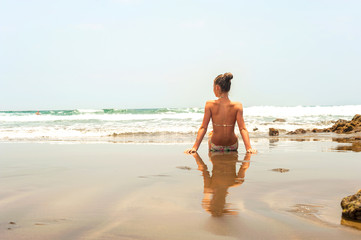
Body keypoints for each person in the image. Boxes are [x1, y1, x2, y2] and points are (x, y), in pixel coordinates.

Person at [184, 72, 257, 154]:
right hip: (232, 145)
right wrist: (248, 148)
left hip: (215, 146)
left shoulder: (210, 104)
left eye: (213, 87)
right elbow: (242, 129)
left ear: (217, 87)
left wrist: (195, 147)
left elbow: (203, 127)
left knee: (211, 134)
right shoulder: (238, 105)